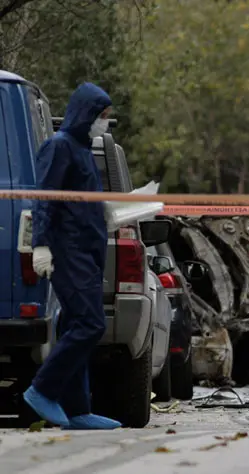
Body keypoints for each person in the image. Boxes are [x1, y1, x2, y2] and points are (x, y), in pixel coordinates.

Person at [24, 82, 121, 430]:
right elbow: (45, 197)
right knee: (89, 324)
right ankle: (41, 389)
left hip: (88, 252)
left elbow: (80, 198)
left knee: (73, 325)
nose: (104, 123)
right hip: (69, 251)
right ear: (86, 113)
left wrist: (108, 212)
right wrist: (41, 244)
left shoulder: (82, 149)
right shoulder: (59, 146)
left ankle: (78, 409)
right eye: (102, 116)